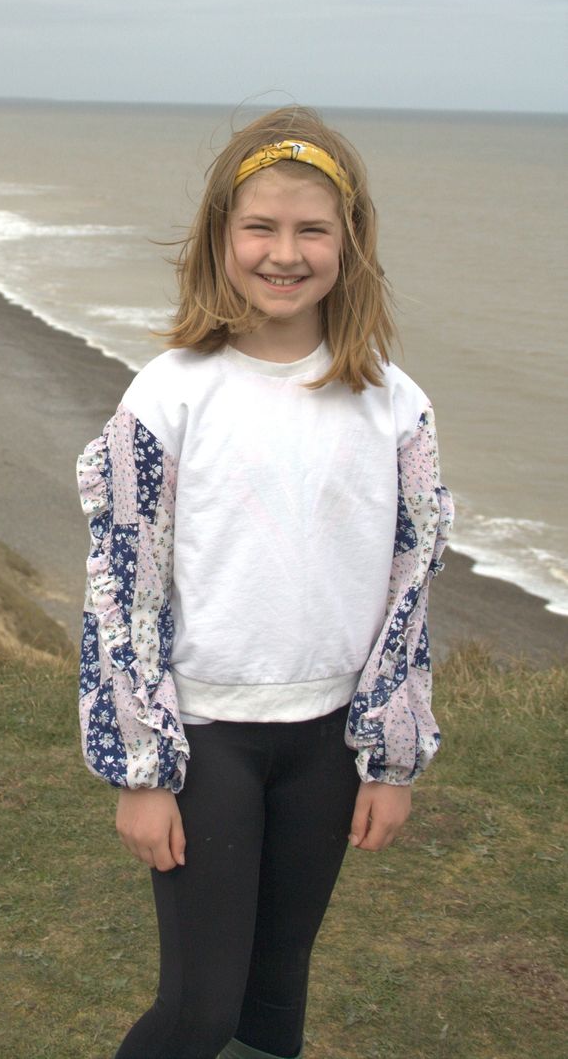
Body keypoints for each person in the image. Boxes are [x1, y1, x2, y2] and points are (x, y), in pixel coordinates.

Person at [77, 106, 453, 1059]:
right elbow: (123, 591)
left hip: (327, 743)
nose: (285, 253)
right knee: (200, 1009)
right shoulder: (169, 394)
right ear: (221, 236)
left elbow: (410, 591)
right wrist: (141, 772)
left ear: (349, 241)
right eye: (261, 227)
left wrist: (392, 760)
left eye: (311, 229)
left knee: (276, 997)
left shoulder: (394, 404)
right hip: (208, 740)